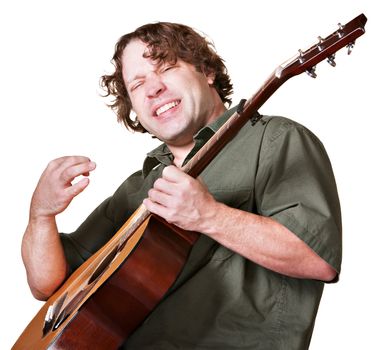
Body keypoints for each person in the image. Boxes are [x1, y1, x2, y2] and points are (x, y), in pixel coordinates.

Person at [21, 22, 342, 349]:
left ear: (207, 72)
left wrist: (208, 216)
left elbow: (318, 258)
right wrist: (40, 215)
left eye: (166, 67)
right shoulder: (137, 188)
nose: (153, 89)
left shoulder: (274, 140)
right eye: (137, 84)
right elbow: (48, 286)